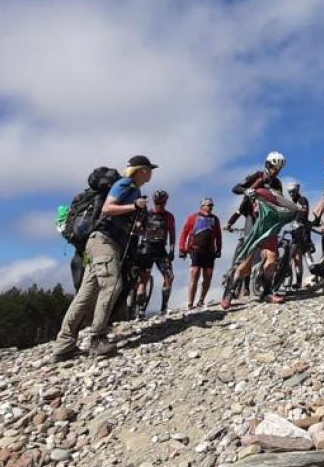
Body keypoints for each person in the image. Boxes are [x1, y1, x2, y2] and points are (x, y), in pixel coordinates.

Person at [52, 155, 155, 361]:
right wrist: (135, 206)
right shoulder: (126, 184)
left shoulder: (130, 187)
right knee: (112, 285)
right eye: (149, 169)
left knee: (86, 294)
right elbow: (108, 208)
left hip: (98, 243)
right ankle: (97, 339)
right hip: (104, 242)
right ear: (141, 170)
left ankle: (64, 344)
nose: (151, 173)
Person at [227, 151, 287, 304]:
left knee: (273, 259)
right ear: (268, 165)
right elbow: (235, 188)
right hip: (253, 222)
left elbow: (279, 201)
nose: (277, 171)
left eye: (279, 169)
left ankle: (267, 292)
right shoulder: (257, 175)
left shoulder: (277, 183)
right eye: (275, 168)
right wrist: (246, 190)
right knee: (247, 263)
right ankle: (230, 291)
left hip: (268, 223)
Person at [180, 197, 223, 309]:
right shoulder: (193, 217)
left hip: (209, 250)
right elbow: (184, 233)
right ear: (202, 206)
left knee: (208, 276)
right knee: (195, 273)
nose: (210, 207)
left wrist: (219, 249)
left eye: (212, 205)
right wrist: (182, 248)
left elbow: (218, 235)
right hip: (196, 249)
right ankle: (190, 303)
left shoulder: (215, 219)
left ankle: (201, 300)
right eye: (208, 205)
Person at [144, 190, 176, 315]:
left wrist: (172, 251)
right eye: (158, 202)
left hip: (160, 250)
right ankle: (140, 310)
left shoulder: (168, 216)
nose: (160, 205)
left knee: (169, 277)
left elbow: (172, 234)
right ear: (154, 201)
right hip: (147, 250)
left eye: (162, 202)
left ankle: (163, 308)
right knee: (143, 281)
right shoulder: (146, 214)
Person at [286, 181, 312, 288]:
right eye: (289, 192)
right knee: (297, 257)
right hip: (294, 232)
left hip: (303, 230)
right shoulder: (291, 203)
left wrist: (299, 221)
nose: (291, 194)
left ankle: (315, 272)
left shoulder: (302, 200)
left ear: (297, 190)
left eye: (293, 191)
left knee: (306, 252)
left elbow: (304, 213)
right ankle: (298, 281)